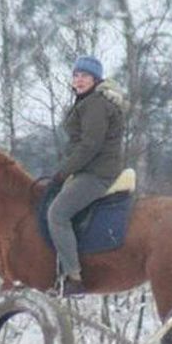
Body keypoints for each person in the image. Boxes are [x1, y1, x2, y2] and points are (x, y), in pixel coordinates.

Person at [48, 55, 128, 295]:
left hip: (97, 173)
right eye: (76, 75)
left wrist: (64, 172)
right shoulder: (87, 101)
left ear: (96, 79)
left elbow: (89, 145)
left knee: (57, 214)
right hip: (88, 169)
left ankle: (74, 277)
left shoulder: (95, 104)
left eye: (85, 76)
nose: (79, 80)